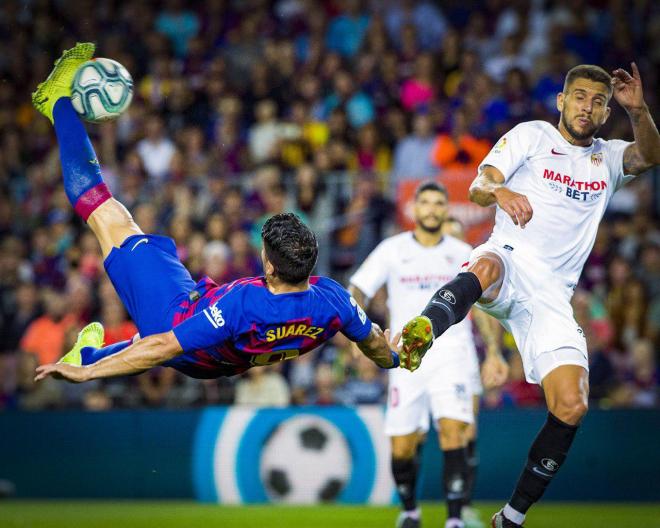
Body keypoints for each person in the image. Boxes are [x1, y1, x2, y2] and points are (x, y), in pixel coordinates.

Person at [31, 44, 403, 385]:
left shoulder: (246, 305)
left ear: (269, 266)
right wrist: (394, 359)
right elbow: (373, 342)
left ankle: (56, 101)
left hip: (178, 323)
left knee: (108, 215)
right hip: (217, 358)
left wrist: (87, 374)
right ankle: (89, 352)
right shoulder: (331, 301)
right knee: (160, 325)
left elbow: (163, 347)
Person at [400, 63, 660, 528]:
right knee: (486, 264)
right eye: (579, 96)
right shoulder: (532, 135)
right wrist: (499, 192)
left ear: (606, 111)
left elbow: (651, 155)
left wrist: (638, 111)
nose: (589, 106)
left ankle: (512, 517)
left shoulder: (608, 157)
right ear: (561, 101)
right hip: (511, 257)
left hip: (553, 297)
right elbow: (481, 183)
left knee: (572, 403)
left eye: (599, 101)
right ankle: (425, 328)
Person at [349, 182, 505, 528]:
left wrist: (493, 351)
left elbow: (480, 308)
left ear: (446, 208)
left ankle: (454, 520)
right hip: (405, 359)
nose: (432, 209)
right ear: (414, 210)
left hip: (454, 355)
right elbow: (357, 288)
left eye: (439, 203)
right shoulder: (392, 250)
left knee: (454, 431)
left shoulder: (463, 251)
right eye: (426, 203)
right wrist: (355, 334)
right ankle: (409, 511)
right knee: (402, 446)